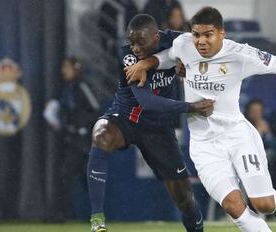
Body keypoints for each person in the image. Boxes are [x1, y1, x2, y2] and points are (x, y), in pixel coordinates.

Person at [126, 6, 276, 231]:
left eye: (208, 35)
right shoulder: (184, 44)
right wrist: (146, 64)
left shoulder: (241, 54)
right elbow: (168, 55)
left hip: (237, 136)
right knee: (233, 205)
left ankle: (273, 200)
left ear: (221, 33)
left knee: (262, 205)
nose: (200, 41)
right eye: (197, 34)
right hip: (204, 146)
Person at [87, 14, 213, 232]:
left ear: (157, 37)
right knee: (101, 134)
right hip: (128, 117)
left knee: (185, 199)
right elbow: (147, 101)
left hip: (159, 128)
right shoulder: (127, 54)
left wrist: (187, 63)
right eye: (131, 41)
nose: (135, 47)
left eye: (140, 42)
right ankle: (97, 218)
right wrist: (190, 107)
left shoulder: (177, 40)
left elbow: (202, 49)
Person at [44, 57, 100, 221]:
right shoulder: (66, 88)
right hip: (71, 137)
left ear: (76, 69)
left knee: (67, 174)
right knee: (82, 177)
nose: (64, 71)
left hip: (82, 140)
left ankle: (61, 213)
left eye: (67, 67)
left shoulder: (81, 86)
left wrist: (81, 125)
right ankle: (87, 213)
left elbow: (95, 110)